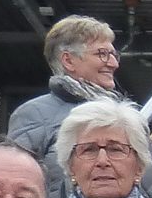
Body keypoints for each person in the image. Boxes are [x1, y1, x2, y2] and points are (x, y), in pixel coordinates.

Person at [7, 15, 129, 168]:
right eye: (102, 54)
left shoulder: (127, 116)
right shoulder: (34, 114)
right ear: (68, 61)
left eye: (114, 55)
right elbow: (14, 175)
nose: (114, 64)